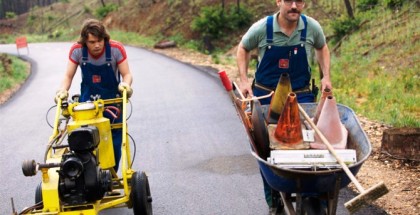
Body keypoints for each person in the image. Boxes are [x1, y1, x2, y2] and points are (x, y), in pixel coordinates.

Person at [236, 0, 331, 212]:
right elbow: (243, 48)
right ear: (279, 2)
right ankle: (274, 199)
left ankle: (313, 193)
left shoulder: (311, 27)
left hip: (301, 97)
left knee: (309, 143)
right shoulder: (262, 28)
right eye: (289, 1)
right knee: (264, 148)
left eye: (299, 1)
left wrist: (326, 77)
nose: (294, 6)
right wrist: (243, 79)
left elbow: (322, 47)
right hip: (266, 98)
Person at [55, 18, 133, 172]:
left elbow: (127, 74)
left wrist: (125, 85)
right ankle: (86, 174)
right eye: (92, 42)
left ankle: (110, 174)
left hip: (112, 104)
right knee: (83, 138)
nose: (97, 45)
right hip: (87, 105)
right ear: (85, 41)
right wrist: (62, 91)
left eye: (100, 41)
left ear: (105, 38)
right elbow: (68, 76)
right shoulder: (77, 51)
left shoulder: (116, 49)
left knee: (115, 140)